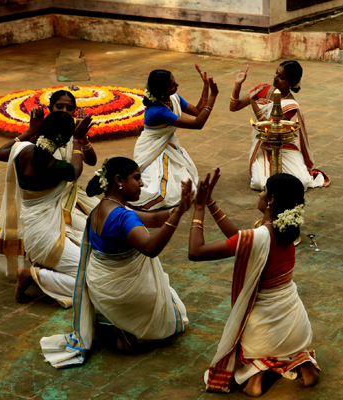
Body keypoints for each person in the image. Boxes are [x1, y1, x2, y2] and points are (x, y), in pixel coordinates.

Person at [40, 157, 191, 368]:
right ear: (119, 180)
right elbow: (150, 248)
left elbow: (156, 219)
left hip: (102, 290)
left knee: (167, 292)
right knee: (176, 315)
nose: (142, 184)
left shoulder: (100, 208)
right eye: (137, 178)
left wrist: (181, 209)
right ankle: (126, 329)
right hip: (122, 293)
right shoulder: (123, 217)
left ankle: (111, 319)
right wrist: (178, 215)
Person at [188, 170, 319, 396]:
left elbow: (195, 252)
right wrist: (211, 203)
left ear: (271, 200)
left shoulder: (258, 237)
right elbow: (242, 240)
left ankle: (255, 377)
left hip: (264, 335)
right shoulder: (286, 230)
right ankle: (304, 365)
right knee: (286, 349)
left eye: (264, 190)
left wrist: (198, 209)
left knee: (242, 347)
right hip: (296, 327)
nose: (260, 193)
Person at [0, 111, 91, 307]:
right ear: (63, 142)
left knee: (93, 260)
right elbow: (77, 171)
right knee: (93, 279)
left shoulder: (22, 150)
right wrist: (78, 139)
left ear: (42, 131)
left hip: (35, 236)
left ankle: (43, 269)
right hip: (47, 241)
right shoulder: (57, 167)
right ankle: (31, 275)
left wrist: (29, 130)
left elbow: (1, 152)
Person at [230, 61, 329, 191]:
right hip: (263, 145)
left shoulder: (291, 104)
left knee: (303, 182)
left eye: (281, 77)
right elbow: (234, 107)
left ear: (291, 82)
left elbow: (269, 128)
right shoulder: (262, 89)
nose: (275, 78)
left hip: (284, 145)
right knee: (259, 183)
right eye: (276, 73)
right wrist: (238, 84)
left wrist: (253, 103)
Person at [131, 66, 218, 210]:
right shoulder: (157, 111)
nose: (177, 85)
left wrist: (206, 87)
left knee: (185, 186)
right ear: (161, 92)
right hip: (152, 148)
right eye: (172, 85)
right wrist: (213, 96)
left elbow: (197, 111)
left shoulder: (174, 98)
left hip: (168, 144)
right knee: (160, 194)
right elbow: (198, 124)